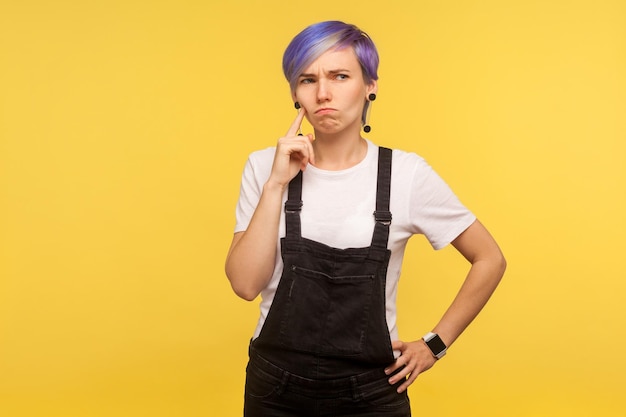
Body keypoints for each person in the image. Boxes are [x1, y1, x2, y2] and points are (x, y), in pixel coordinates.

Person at [225, 20, 506, 417]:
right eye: (308, 79)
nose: (323, 93)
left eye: (340, 76)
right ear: (295, 93)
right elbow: (244, 284)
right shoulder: (263, 167)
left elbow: (490, 259)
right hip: (276, 389)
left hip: (372, 393)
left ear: (370, 84)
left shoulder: (407, 175)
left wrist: (434, 345)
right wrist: (275, 185)